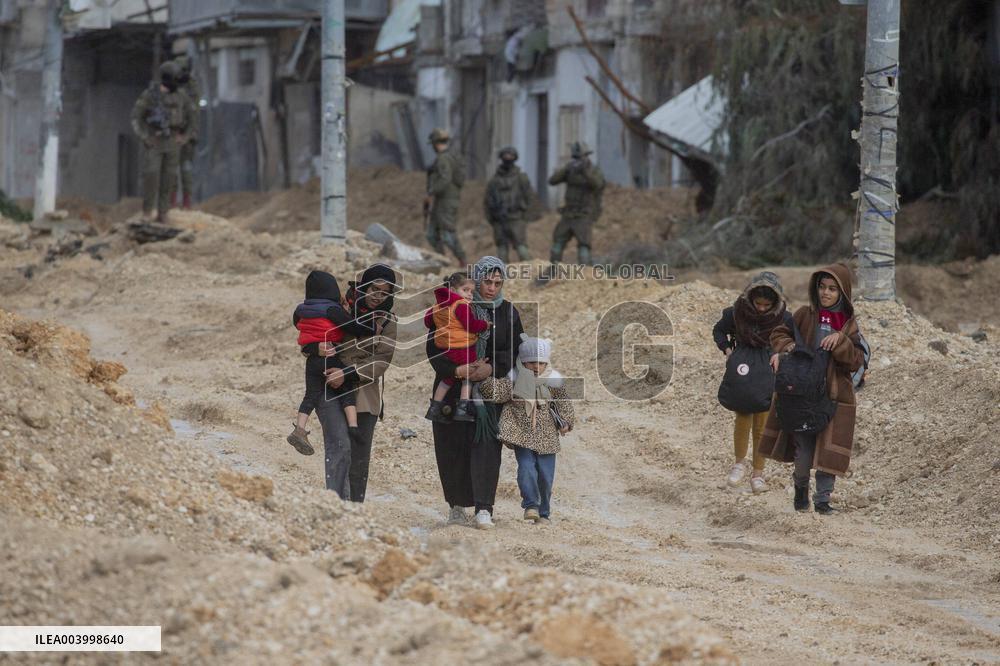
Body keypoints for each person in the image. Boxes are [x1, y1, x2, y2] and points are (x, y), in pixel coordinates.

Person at [426, 255, 523, 529]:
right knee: (451, 447)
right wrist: (457, 371)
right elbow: (434, 348)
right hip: (451, 386)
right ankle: (456, 505)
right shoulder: (450, 307)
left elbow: (514, 350)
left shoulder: (507, 312)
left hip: (488, 392)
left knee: (486, 447)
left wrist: (489, 370)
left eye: (497, 282)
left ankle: (484, 508)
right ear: (475, 280)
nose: (491, 288)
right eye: (486, 281)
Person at [759, 263, 865, 515]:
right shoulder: (806, 315)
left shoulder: (848, 325)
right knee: (803, 449)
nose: (826, 293)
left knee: (829, 450)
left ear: (843, 293)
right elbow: (779, 334)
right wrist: (785, 349)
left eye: (832, 289)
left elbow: (856, 360)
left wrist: (840, 341)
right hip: (803, 392)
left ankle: (823, 500)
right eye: (822, 287)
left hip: (835, 394)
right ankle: (800, 490)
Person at [712, 271, 794, 493]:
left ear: (774, 302)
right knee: (742, 416)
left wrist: (781, 354)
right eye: (758, 303)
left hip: (767, 369)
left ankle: (758, 474)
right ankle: (739, 463)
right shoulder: (736, 312)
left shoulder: (784, 318)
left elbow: (795, 342)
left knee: (762, 422)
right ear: (750, 298)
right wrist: (727, 349)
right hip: (743, 367)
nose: (761, 308)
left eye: (766, 305)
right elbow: (719, 330)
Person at [479, 334, 574, 524]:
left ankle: (544, 513)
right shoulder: (514, 381)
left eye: (541, 363)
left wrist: (566, 421)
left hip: (547, 436)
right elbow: (496, 392)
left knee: (546, 477)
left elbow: (563, 403)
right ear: (522, 362)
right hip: (521, 433)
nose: (536, 367)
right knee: (526, 470)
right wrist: (483, 379)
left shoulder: (553, 382)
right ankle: (531, 505)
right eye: (531, 363)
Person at [331, 264, 398, 502]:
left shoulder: (388, 321)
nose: (377, 297)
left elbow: (381, 360)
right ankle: (334, 505)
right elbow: (318, 337)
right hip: (333, 391)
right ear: (363, 287)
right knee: (337, 454)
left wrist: (348, 373)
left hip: (365, 396)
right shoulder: (340, 309)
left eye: (384, 293)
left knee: (359, 458)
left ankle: (355, 508)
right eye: (374, 289)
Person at [287, 270, 373, 456]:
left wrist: (313, 339)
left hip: (312, 361)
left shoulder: (300, 310)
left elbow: (297, 324)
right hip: (330, 356)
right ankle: (353, 426)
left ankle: (299, 429)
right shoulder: (331, 310)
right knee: (346, 387)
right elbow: (353, 326)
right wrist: (372, 328)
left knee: (310, 395)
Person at [130, 61, 194, 224]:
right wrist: (144, 136)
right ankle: (147, 211)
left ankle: (163, 212)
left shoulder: (182, 96)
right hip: (155, 140)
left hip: (173, 140)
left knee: (169, 178)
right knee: (151, 175)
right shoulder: (151, 95)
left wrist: (185, 136)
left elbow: (192, 118)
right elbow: (136, 117)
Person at [424, 272, 489, 423]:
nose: (470, 295)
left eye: (472, 292)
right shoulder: (460, 305)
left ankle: (434, 408)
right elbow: (471, 325)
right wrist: (485, 324)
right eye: (465, 290)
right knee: (468, 377)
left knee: (447, 379)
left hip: (446, 349)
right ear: (453, 290)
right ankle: (462, 408)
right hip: (462, 347)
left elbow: (428, 321)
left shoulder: (438, 306)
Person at [547, 141, 605, 266]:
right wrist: (566, 169)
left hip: (583, 214)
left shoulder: (593, 170)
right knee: (558, 242)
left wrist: (585, 172)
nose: (578, 160)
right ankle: (553, 270)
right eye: (576, 158)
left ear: (587, 156)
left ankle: (585, 273)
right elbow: (552, 181)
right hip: (568, 213)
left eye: (581, 157)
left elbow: (597, 185)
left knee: (584, 244)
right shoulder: (570, 169)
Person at [484, 146, 535, 263]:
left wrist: (524, 216)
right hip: (500, 220)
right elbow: (487, 202)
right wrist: (492, 219)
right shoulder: (494, 180)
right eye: (505, 156)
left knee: (522, 249)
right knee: (502, 250)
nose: (508, 158)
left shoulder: (521, 177)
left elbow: (530, 197)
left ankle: (531, 273)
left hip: (516, 218)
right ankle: (504, 278)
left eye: (510, 156)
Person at [424, 128, 467, 266]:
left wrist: (431, 192)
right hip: (441, 201)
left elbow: (445, 179)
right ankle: (442, 260)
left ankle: (462, 260)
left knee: (448, 235)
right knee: (431, 234)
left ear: (435, 143)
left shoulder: (444, 158)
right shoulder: (451, 156)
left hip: (446, 201)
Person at [172, 55, 201, 210]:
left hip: (186, 136)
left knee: (185, 169)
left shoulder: (191, 88)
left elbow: (192, 115)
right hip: (176, 135)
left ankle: (186, 203)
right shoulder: (175, 86)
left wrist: (185, 135)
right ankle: (173, 202)